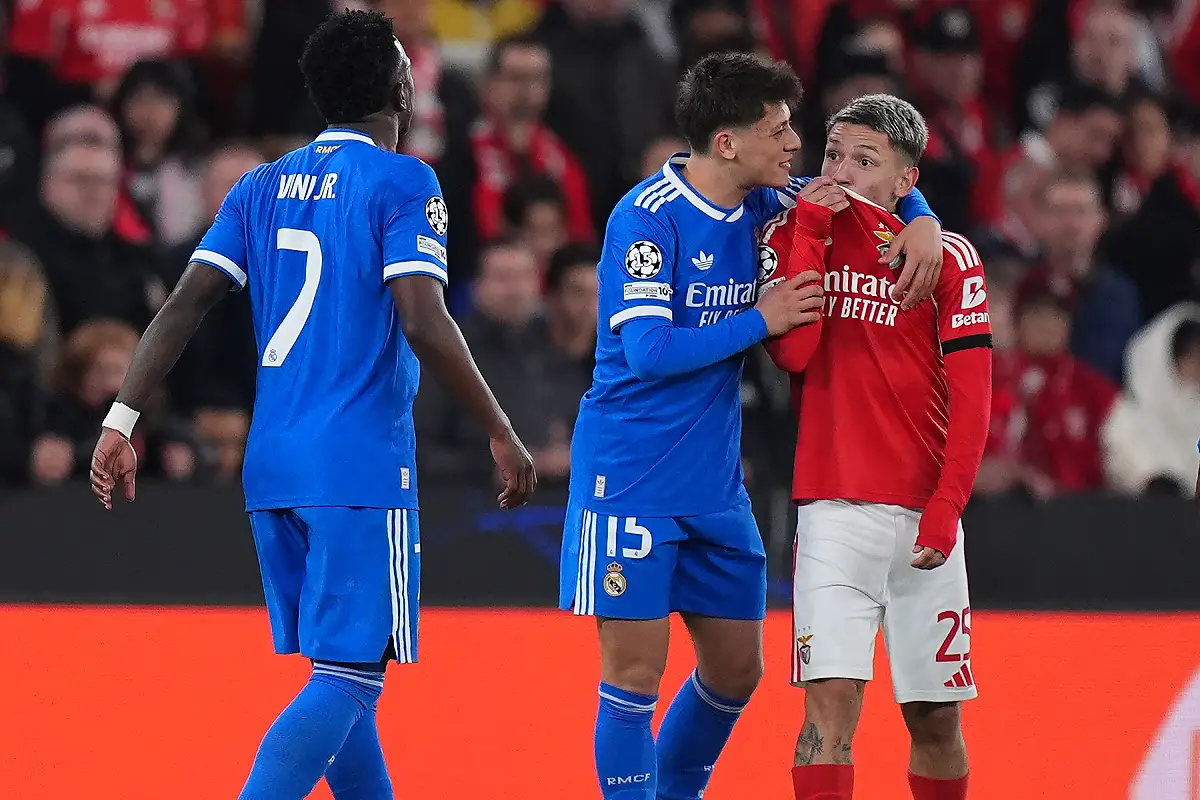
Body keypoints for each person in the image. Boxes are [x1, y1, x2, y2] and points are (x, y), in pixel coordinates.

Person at [88, 10, 536, 800]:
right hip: (358, 465)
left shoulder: (259, 184)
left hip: (274, 467)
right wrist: (501, 430)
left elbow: (185, 304)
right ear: (399, 88)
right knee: (353, 683)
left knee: (341, 677)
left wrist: (120, 418)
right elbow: (423, 318)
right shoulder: (405, 180)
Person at [558, 53, 947, 800]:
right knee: (635, 674)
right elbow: (647, 351)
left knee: (738, 669)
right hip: (631, 476)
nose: (797, 143)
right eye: (780, 129)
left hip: (714, 485)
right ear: (729, 143)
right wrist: (759, 319)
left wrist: (922, 221)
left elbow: (874, 191)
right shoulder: (647, 217)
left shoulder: (773, 200)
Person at [758, 94, 993, 800]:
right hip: (831, 512)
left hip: (925, 517)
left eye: (865, 161)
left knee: (935, 716)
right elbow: (794, 355)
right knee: (827, 710)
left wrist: (948, 505)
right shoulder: (789, 230)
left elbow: (975, 398)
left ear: (905, 179)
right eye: (833, 154)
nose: (841, 171)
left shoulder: (947, 258)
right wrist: (814, 233)